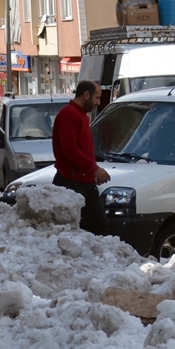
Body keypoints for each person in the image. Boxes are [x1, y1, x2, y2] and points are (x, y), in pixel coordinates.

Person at [52, 80, 110, 234]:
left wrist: (92, 171)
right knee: (74, 228)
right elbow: (69, 149)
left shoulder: (82, 115)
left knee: (99, 226)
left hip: (85, 181)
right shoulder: (69, 115)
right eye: (97, 98)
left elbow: (84, 149)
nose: (98, 103)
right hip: (70, 181)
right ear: (86, 95)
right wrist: (94, 169)